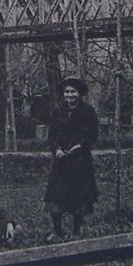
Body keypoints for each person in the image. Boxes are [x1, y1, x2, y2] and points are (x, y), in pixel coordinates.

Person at [45, 76, 98, 239]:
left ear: (79, 93)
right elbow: (51, 135)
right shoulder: (58, 112)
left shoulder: (88, 111)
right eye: (67, 92)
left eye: (73, 92)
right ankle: (58, 230)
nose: (70, 95)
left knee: (79, 196)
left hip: (80, 161)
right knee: (56, 195)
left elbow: (92, 135)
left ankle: (76, 231)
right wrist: (57, 150)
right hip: (61, 161)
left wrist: (79, 147)